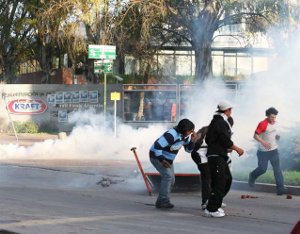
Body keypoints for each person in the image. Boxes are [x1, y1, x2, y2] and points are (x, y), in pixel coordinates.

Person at [204, 101, 244, 218]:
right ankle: (211, 209)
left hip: (219, 155)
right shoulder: (220, 122)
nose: (231, 112)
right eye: (230, 110)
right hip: (216, 156)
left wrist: (222, 148)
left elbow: (211, 139)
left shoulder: (217, 121)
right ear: (227, 110)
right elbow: (224, 139)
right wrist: (237, 148)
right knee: (219, 182)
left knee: (227, 179)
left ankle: (214, 201)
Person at [149, 118, 197, 209]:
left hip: (168, 159)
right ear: (185, 130)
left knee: (171, 180)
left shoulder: (185, 137)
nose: (192, 132)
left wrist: (192, 141)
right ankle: (164, 201)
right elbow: (157, 148)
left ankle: (160, 201)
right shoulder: (171, 135)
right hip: (157, 156)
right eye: (190, 131)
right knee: (167, 177)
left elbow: (188, 150)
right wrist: (162, 160)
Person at [191, 116, 234, 210]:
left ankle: (215, 199)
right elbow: (194, 141)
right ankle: (206, 201)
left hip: (212, 155)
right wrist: (194, 138)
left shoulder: (224, 131)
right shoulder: (206, 129)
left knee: (221, 177)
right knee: (207, 177)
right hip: (201, 154)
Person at [248, 107, 285, 195]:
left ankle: (280, 189)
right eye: (272, 117)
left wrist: (277, 137)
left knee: (277, 169)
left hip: (273, 151)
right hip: (263, 152)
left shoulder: (276, 123)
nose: (273, 119)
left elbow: (275, 134)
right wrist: (263, 142)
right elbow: (255, 136)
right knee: (262, 169)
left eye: (275, 117)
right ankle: (252, 176)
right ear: (267, 116)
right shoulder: (262, 124)